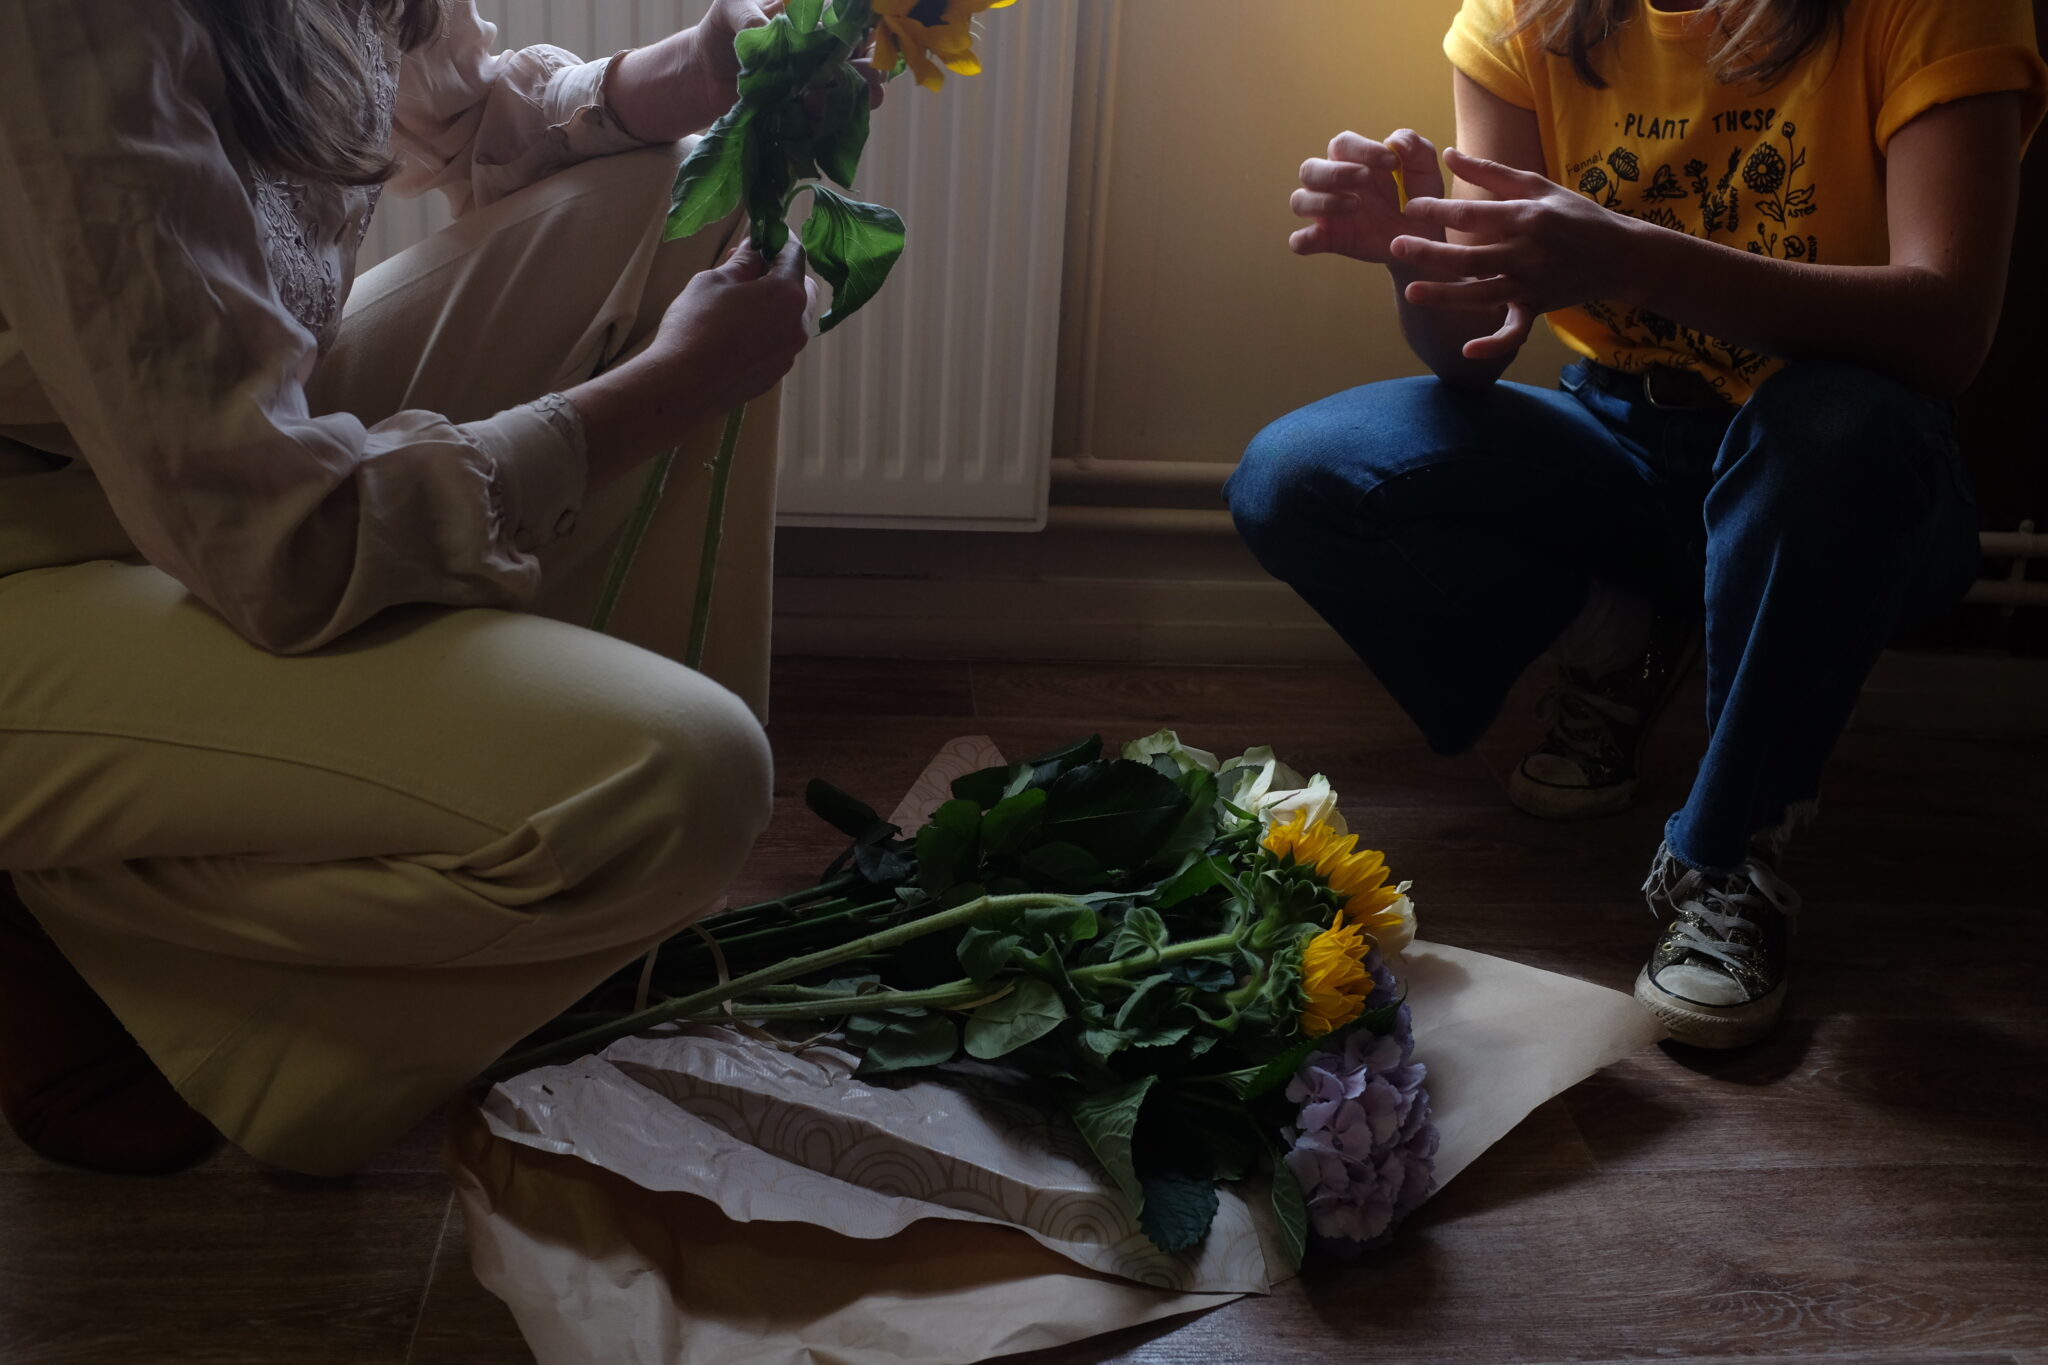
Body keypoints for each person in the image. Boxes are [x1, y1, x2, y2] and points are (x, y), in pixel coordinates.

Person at [0, 0, 838, 1175]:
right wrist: (669, 388)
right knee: (686, 776)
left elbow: (453, 109)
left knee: (682, 197)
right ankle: (130, 948)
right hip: (44, 536)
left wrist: (684, 72)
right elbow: (280, 546)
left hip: (196, 457)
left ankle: (527, 878)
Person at [1229, 0, 2046, 1047]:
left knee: (1833, 419)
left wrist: (1624, 256)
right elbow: (1473, 344)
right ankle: (1623, 642)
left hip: (1844, 479)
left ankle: (1726, 859)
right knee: (1296, 475)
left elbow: (1945, 331)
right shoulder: (1526, 18)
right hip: (1623, 427)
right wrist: (1415, 250)